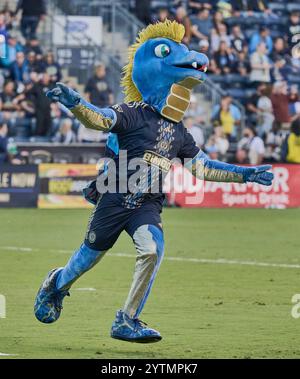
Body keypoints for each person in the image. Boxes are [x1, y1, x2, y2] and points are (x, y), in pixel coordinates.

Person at [34, 20, 273, 343]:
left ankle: (127, 320)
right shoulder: (134, 112)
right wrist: (75, 102)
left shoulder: (180, 132)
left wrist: (245, 175)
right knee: (86, 260)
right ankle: (57, 283)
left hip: (147, 203)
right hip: (116, 197)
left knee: (152, 249)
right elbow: (101, 118)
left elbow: (201, 168)